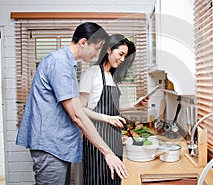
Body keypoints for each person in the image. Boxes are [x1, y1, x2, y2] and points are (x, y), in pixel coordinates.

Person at [15, 22, 128, 185]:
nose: (97, 54)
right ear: (83, 42)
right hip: (50, 146)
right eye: (96, 48)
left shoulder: (67, 64)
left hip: (58, 145)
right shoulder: (59, 63)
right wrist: (107, 152)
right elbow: (77, 114)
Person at [79, 34, 148, 185]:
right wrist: (107, 118)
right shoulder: (91, 73)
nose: (123, 60)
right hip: (96, 139)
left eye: (125, 56)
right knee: (97, 180)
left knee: (115, 179)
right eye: (121, 54)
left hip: (114, 139)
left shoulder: (112, 76)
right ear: (109, 50)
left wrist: (135, 104)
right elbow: (80, 109)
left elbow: (114, 107)